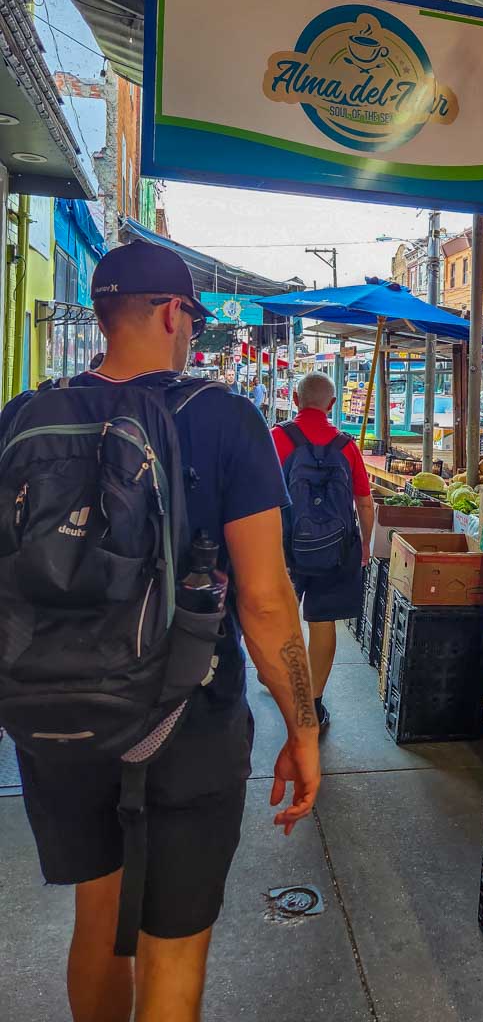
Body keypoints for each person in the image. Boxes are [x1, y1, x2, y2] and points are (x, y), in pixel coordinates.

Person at [0, 240, 321, 1022]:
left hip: (55, 717)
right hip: (187, 720)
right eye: (192, 319)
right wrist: (303, 725)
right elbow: (267, 601)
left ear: (105, 315)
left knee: (98, 923)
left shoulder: (23, 415)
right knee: (171, 956)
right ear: (176, 313)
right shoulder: (225, 419)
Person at [271, 373, 374, 730]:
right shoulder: (346, 445)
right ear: (331, 405)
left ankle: (285, 684)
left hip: (284, 547)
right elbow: (365, 501)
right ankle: (313, 703)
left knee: (283, 618)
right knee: (323, 621)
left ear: (296, 400)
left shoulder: (278, 438)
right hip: (337, 547)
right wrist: (364, 547)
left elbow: (260, 497)